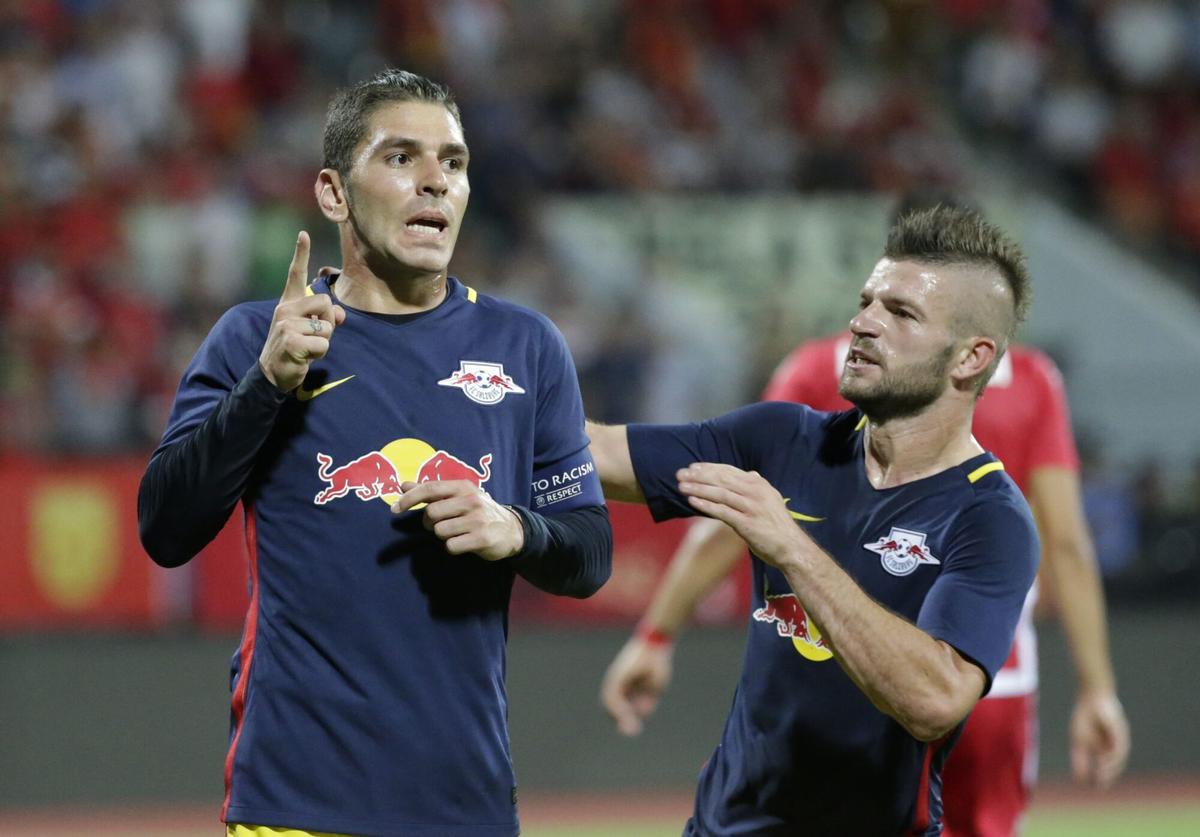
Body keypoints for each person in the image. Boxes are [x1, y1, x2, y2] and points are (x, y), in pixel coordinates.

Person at [138, 69, 611, 837]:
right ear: (333, 193)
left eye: (452, 162)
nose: (435, 181)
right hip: (295, 801)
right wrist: (265, 385)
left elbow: (589, 552)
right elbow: (165, 528)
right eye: (400, 157)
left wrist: (516, 528)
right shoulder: (257, 337)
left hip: (465, 804)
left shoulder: (526, 346)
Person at [602, 268, 1130, 837]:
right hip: (991, 679)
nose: (863, 322)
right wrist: (1097, 688)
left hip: (944, 679)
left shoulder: (987, 512)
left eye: (901, 311)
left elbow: (744, 524)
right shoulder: (1028, 380)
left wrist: (664, 630)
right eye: (868, 301)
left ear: (971, 356)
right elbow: (638, 468)